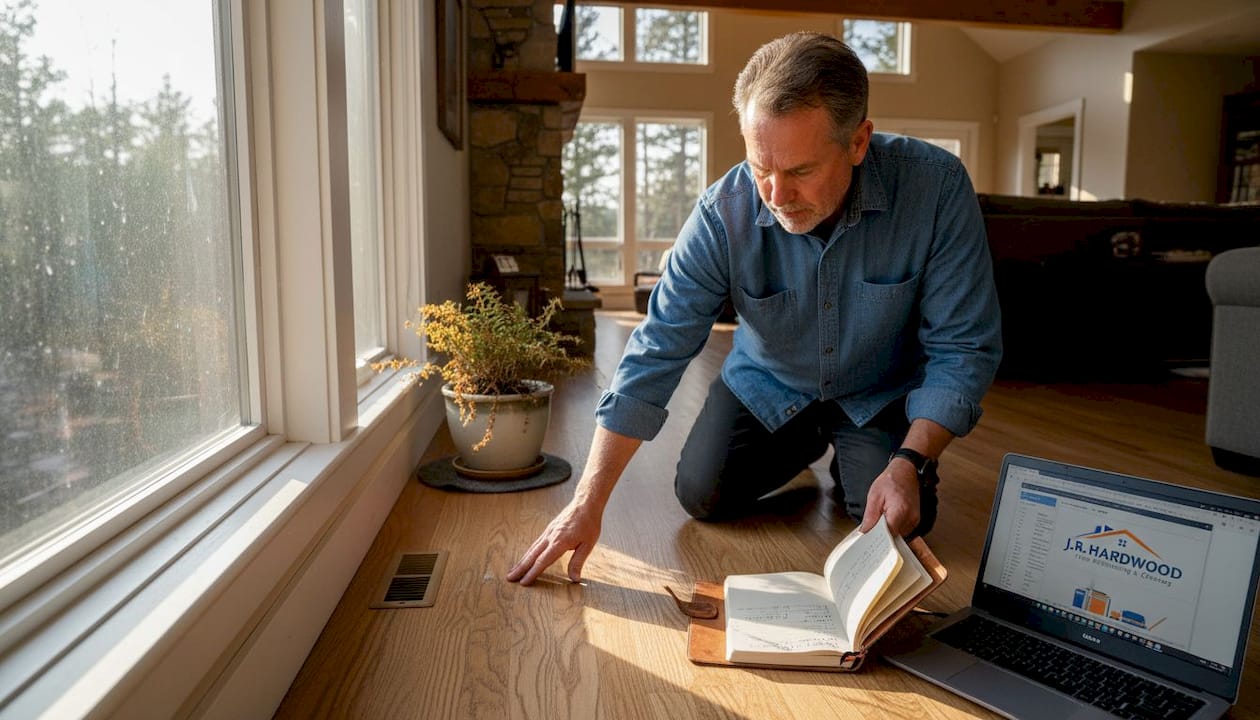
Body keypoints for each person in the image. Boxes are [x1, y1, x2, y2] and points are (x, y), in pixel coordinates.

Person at [508, 31, 1001, 586]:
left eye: (799, 172)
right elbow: (657, 347)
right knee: (701, 494)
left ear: (859, 141)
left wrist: (911, 460)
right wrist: (587, 501)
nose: (775, 194)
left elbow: (963, 346)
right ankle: (811, 440)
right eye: (760, 167)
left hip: (877, 391)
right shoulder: (724, 213)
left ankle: (865, 454)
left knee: (904, 524)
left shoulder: (935, 189)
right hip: (769, 384)